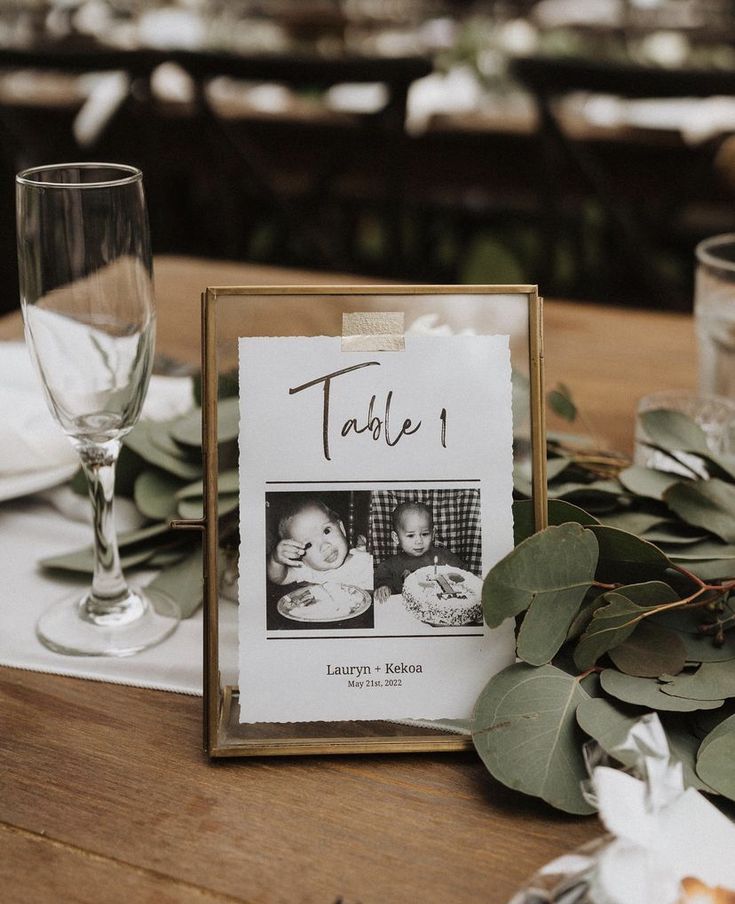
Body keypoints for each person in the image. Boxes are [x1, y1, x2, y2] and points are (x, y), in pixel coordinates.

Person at [267, 498, 373, 590]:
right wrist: (276, 560)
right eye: (309, 544)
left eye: (326, 531)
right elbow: (279, 578)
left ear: (341, 529)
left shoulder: (366, 561)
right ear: (300, 556)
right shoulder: (308, 571)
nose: (324, 545)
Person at [374, 501, 468, 602]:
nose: (419, 541)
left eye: (425, 534)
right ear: (396, 538)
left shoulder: (444, 556)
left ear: (433, 534)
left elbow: (465, 575)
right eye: (411, 535)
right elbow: (381, 579)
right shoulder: (390, 566)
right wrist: (383, 587)